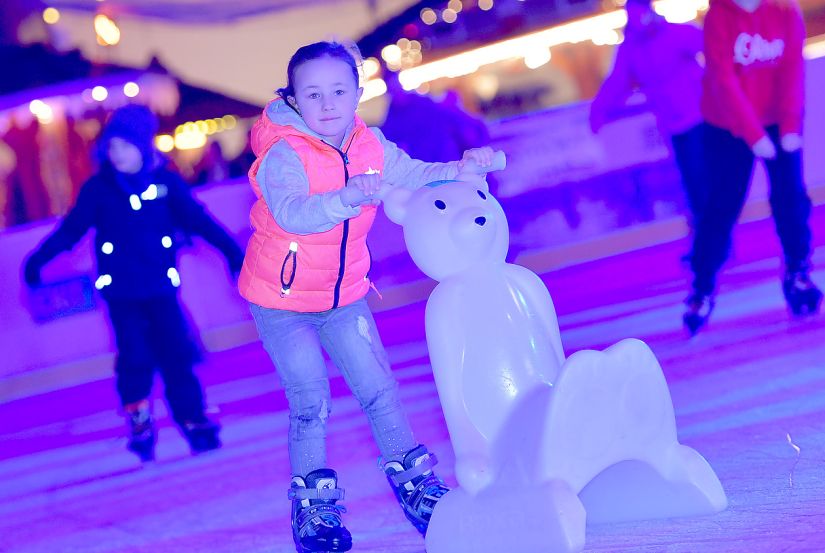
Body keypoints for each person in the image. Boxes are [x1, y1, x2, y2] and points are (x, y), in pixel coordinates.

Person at [238, 41, 496, 552]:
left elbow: (418, 174)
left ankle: (419, 489)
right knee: (310, 399)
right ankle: (314, 510)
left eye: (338, 91)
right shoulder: (283, 154)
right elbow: (292, 213)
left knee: (379, 389)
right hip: (280, 300)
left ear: (358, 92)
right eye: (313, 94)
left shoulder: (371, 145)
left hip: (345, 295)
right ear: (293, 98)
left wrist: (464, 168)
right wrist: (346, 198)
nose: (328, 104)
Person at [22, 104, 244, 461]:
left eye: (125, 146)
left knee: (177, 355)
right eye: (112, 148)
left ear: (142, 146)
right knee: (135, 356)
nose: (118, 154)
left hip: (161, 289)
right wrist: (37, 260)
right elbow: (71, 230)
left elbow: (200, 222)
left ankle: (194, 419)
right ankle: (139, 417)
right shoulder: (99, 189)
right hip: (122, 294)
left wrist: (234, 253)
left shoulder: (165, 182)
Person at [683, 0, 822, 335]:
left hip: (777, 119)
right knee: (722, 206)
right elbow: (723, 79)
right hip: (727, 125)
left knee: (791, 197)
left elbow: (792, 69)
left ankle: (798, 272)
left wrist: (789, 126)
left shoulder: (786, 11)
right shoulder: (719, 16)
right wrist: (753, 134)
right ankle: (702, 289)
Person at [589, 0, 708, 238]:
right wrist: (599, 111)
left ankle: (711, 235)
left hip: (700, 119)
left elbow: (711, 48)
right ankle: (705, 236)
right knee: (690, 182)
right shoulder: (632, 48)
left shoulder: (673, 32)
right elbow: (618, 82)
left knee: (702, 178)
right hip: (672, 126)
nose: (638, 17)